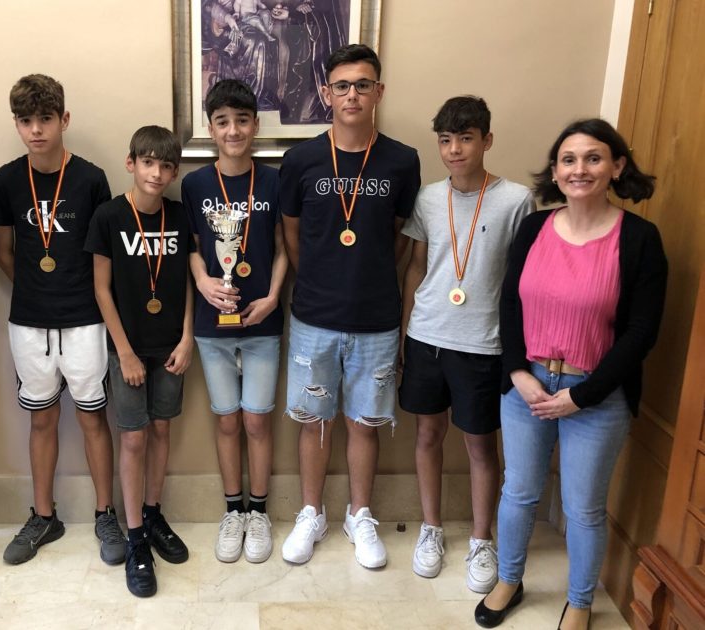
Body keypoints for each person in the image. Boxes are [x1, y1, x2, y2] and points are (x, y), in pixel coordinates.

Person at [475, 118, 667, 630]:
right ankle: (509, 580)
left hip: (597, 395)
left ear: (617, 167)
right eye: (568, 159)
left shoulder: (640, 239)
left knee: (583, 509)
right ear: (556, 172)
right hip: (528, 387)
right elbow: (509, 304)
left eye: (593, 158)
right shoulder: (534, 227)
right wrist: (518, 372)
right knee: (519, 491)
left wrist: (583, 396)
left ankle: (579, 603)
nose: (579, 169)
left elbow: (641, 333)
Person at [279, 44, 421, 569]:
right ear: (326, 94)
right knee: (314, 420)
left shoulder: (402, 160)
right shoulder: (301, 160)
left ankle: (360, 515)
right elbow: (292, 234)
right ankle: (311, 513)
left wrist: (368, 275)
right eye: (342, 86)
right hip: (314, 314)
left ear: (379, 91)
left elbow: (401, 237)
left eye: (363, 84)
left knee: (365, 422)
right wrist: (322, 278)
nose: (352, 94)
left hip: (376, 317)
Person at [0, 74, 125, 567]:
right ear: (16, 125)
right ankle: (44, 515)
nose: (36, 130)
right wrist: (35, 291)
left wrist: (69, 294)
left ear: (64, 119)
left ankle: (105, 513)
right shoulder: (7, 179)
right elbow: (3, 252)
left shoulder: (91, 178)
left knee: (93, 417)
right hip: (29, 322)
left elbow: (104, 253)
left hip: (85, 319)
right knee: (41, 418)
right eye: (26, 121)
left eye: (45, 119)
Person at [399, 96, 534, 592]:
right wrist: (405, 332)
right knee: (427, 435)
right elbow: (417, 266)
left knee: (480, 444)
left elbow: (522, 282)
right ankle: (431, 529)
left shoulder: (516, 200)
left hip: (482, 342)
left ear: (486, 140)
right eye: (446, 140)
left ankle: (481, 538)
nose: (454, 149)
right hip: (426, 336)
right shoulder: (427, 198)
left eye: (466, 138)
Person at [84, 126, 195, 598]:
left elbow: (188, 281)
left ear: (174, 172)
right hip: (126, 350)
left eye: (166, 166)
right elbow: (101, 289)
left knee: (162, 429)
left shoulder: (180, 215)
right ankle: (134, 538)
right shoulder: (109, 216)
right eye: (148, 162)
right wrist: (124, 351)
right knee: (133, 437)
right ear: (131, 163)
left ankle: (152, 515)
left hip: (170, 346)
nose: (157, 173)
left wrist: (187, 338)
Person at [182, 79, 287, 564]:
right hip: (212, 324)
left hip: (262, 323)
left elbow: (284, 249)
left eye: (242, 120)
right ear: (211, 128)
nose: (233, 130)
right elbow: (192, 248)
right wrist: (204, 280)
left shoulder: (274, 181)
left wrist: (272, 297)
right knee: (226, 420)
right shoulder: (196, 185)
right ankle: (233, 511)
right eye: (222, 121)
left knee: (257, 420)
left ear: (255, 125)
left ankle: (259, 512)